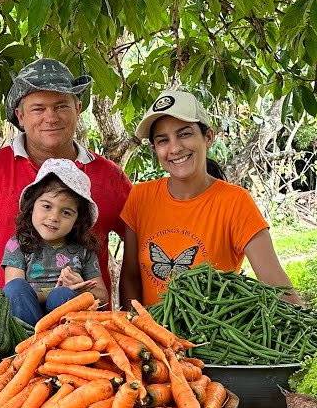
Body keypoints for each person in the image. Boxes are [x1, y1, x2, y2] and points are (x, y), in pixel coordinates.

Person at [0, 59, 131, 299]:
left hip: (89, 330)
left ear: (77, 109)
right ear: (20, 115)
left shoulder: (109, 176)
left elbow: (141, 244)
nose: (51, 117)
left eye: (61, 106)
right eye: (38, 109)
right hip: (11, 329)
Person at [118, 90, 292, 307]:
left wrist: (308, 329)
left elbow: (277, 286)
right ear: (154, 149)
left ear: (208, 137)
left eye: (185, 134)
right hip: (152, 338)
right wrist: (131, 330)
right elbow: (131, 277)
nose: (175, 148)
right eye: (163, 140)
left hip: (212, 338)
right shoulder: (140, 197)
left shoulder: (235, 202)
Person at [1, 158, 106, 322]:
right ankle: (29, 344)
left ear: (77, 220)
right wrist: (51, 294)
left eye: (66, 212)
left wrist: (82, 292)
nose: (54, 217)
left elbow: (103, 297)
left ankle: (62, 345)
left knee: (62, 295)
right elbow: (14, 293)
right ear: (32, 205)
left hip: (68, 331)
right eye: (47, 206)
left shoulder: (83, 250)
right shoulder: (18, 245)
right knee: (15, 288)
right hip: (27, 323)